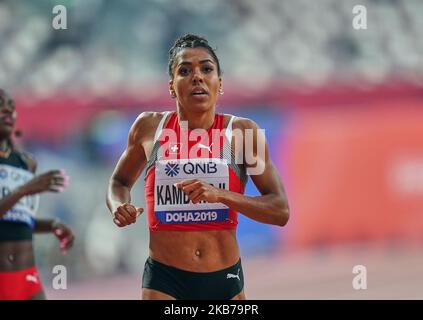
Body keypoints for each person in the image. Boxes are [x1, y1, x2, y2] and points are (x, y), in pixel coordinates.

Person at [106, 34, 289, 300]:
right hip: (164, 279)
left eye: (206, 69)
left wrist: (220, 195)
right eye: (185, 71)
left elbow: (280, 210)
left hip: (223, 279)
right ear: (171, 86)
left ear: (220, 83)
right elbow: (119, 182)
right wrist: (118, 205)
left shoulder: (242, 133)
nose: (197, 77)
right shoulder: (148, 128)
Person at [0, 89, 75, 300]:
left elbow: (17, 221)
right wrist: (25, 189)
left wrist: (51, 224)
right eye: (1, 104)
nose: (8, 109)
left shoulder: (26, 163)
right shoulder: (28, 180)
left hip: (27, 277)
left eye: (11, 106)